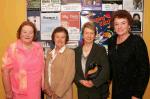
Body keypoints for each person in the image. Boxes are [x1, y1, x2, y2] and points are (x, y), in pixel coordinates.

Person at [107, 10, 149, 99]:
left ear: (129, 25)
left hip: (132, 92)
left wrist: (137, 94)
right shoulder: (111, 41)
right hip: (116, 90)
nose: (119, 27)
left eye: (123, 23)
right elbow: (110, 66)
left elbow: (144, 70)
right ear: (113, 26)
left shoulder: (137, 41)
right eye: (116, 24)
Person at [1, 21, 45, 99]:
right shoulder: (13, 48)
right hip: (18, 93)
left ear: (34, 34)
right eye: (24, 32)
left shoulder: (38, 48)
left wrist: (44, 85)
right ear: (20, 33)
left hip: (36, 91)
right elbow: (5, 71)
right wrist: (8, 92)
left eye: (30, 32)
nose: (27, 35)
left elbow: (42, 68)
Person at [74, 22, 110, 99]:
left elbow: (106, 70)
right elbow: (73, 70)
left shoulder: (100, 50)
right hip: (82, 90)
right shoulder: (76, 51)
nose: (89, 36)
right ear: (82, 35)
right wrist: (80, 80)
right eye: (86, 33)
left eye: (91, 33)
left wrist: (94, 82)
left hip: (96, 90)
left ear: (95, 36)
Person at [44, 26, 75, 99]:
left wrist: (57, 94)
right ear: (53, 39)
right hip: (49, 94)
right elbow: (46, 73)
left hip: (63, 95)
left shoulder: (70, 53)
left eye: (62, 37)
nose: (60, 39)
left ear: (66, 39)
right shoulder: (49, 53)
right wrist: (46, 88)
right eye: (57, 37)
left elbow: (68, 77)